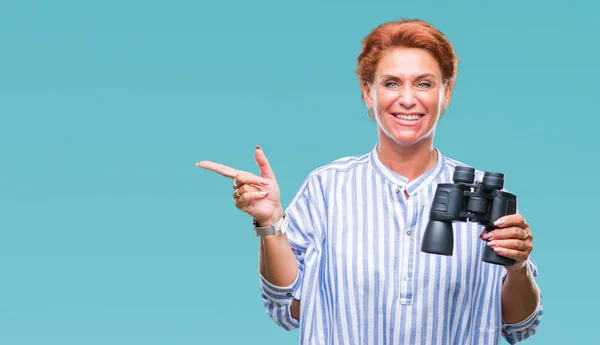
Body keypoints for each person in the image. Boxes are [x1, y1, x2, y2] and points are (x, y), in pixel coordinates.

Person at [197, 18, 543, 345]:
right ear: (368, 92)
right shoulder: (327, 187)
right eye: (391, 83)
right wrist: (270, 221)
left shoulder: (484, 195)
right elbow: (287, 308)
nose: (408, 99)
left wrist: (518, 266)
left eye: (424, 83)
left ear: (446, 93)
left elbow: (519, 325)